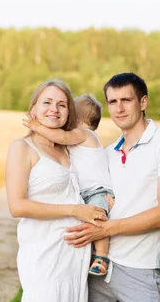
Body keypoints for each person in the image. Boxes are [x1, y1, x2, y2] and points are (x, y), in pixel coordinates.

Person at [64, 72, 160, 302]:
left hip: (140, 270)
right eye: (112, 101)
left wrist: (105, 231)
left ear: (142, 102)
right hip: (98, 269)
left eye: (126, 100)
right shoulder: (106, 153)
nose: (119, 108)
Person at [5, 79, 108, 302]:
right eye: (47, 102)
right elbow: (17, 206)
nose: (55, 109)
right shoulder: (22, 148)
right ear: (34, 109)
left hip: (72, 259)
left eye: (62, 104)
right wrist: (75, 210)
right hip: (45, 257)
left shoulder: (71, 148)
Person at [22, 93, 115, 276]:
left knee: (98, 219)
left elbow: (62, 138)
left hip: (96, 191)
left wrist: (37, 126)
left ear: (77, 118)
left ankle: (102, 257)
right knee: (86, 222)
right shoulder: (80, 140)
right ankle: (89, 257)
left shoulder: (84, 134)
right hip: (83, 193)